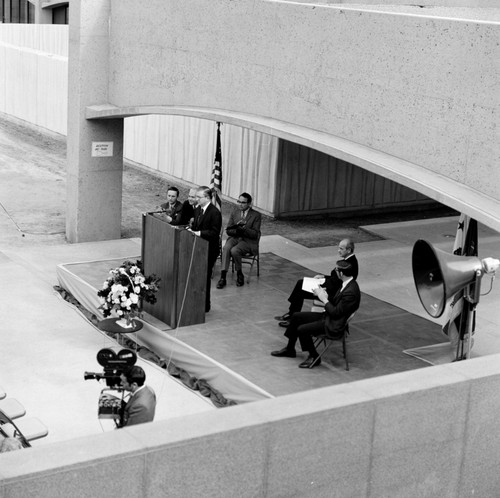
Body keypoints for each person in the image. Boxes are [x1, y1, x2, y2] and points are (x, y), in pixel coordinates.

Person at [271, 260, 360, 368]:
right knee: (296, 317)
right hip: (329, 317)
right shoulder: (346, 284)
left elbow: (336, 313)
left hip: (334, 324)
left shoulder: (351, 291)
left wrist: (324, 299)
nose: (335, 272)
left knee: (302, 329)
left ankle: (314, 356)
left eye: (336, 270)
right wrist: (322, 294)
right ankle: (290, 349)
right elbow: (337, 303)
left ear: (341, 273)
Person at [275, 238, 358, 327]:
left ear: (349, 250)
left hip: (331, 294)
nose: (338, 251)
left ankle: (292, 317)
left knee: (301, 286)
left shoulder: (349, 264)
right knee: (301, 284)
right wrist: (323, 277)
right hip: (331, 287)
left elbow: (338, 283)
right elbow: (338, 277)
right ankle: (292, 313)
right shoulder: (349, 260)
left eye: (341, 249)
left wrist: (320, 285)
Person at [188, 186, 223, 312]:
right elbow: (196, 225)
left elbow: (214, 233)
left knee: (205, 276)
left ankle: (206, 305)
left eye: (199, 197)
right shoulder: (198, 209)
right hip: (197, 248)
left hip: (209, 249)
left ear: (207, 198)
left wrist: (199, 233)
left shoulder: (215, 213)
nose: (196, 199)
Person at [216, 193, 261, 288]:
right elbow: (228, 230)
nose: (240, 204)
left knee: (235, 250)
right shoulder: (235, 212)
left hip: (248, 241)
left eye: (243, 202)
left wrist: (244, 229)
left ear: (249, 203)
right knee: (226, 248)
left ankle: (239, 273)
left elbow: (255, 234)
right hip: (235, 237)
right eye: (239, 201)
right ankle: (223, 277)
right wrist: (237, 229)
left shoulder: (256, 215)